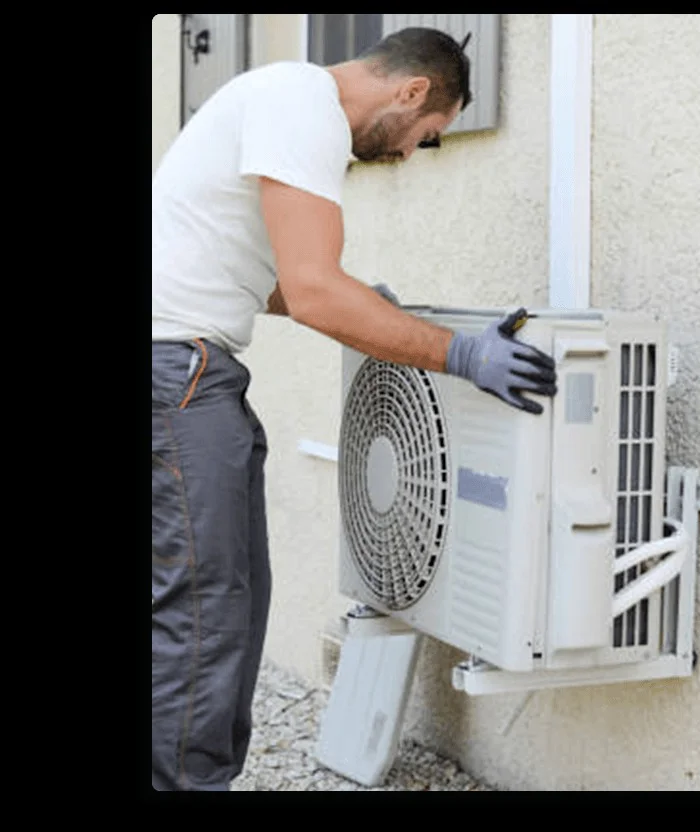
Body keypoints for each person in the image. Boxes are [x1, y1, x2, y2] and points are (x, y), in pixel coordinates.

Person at [152, 26, 558, 791]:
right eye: (425, 136)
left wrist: (364, 309)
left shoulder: (272, 100)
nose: (409, 155)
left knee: (223, 602)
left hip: (183, 369)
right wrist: (460, 353)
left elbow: (250, 277)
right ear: (410, 92)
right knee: (206, 615)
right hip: (177, 375)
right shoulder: (299, 102)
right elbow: (313, 290)